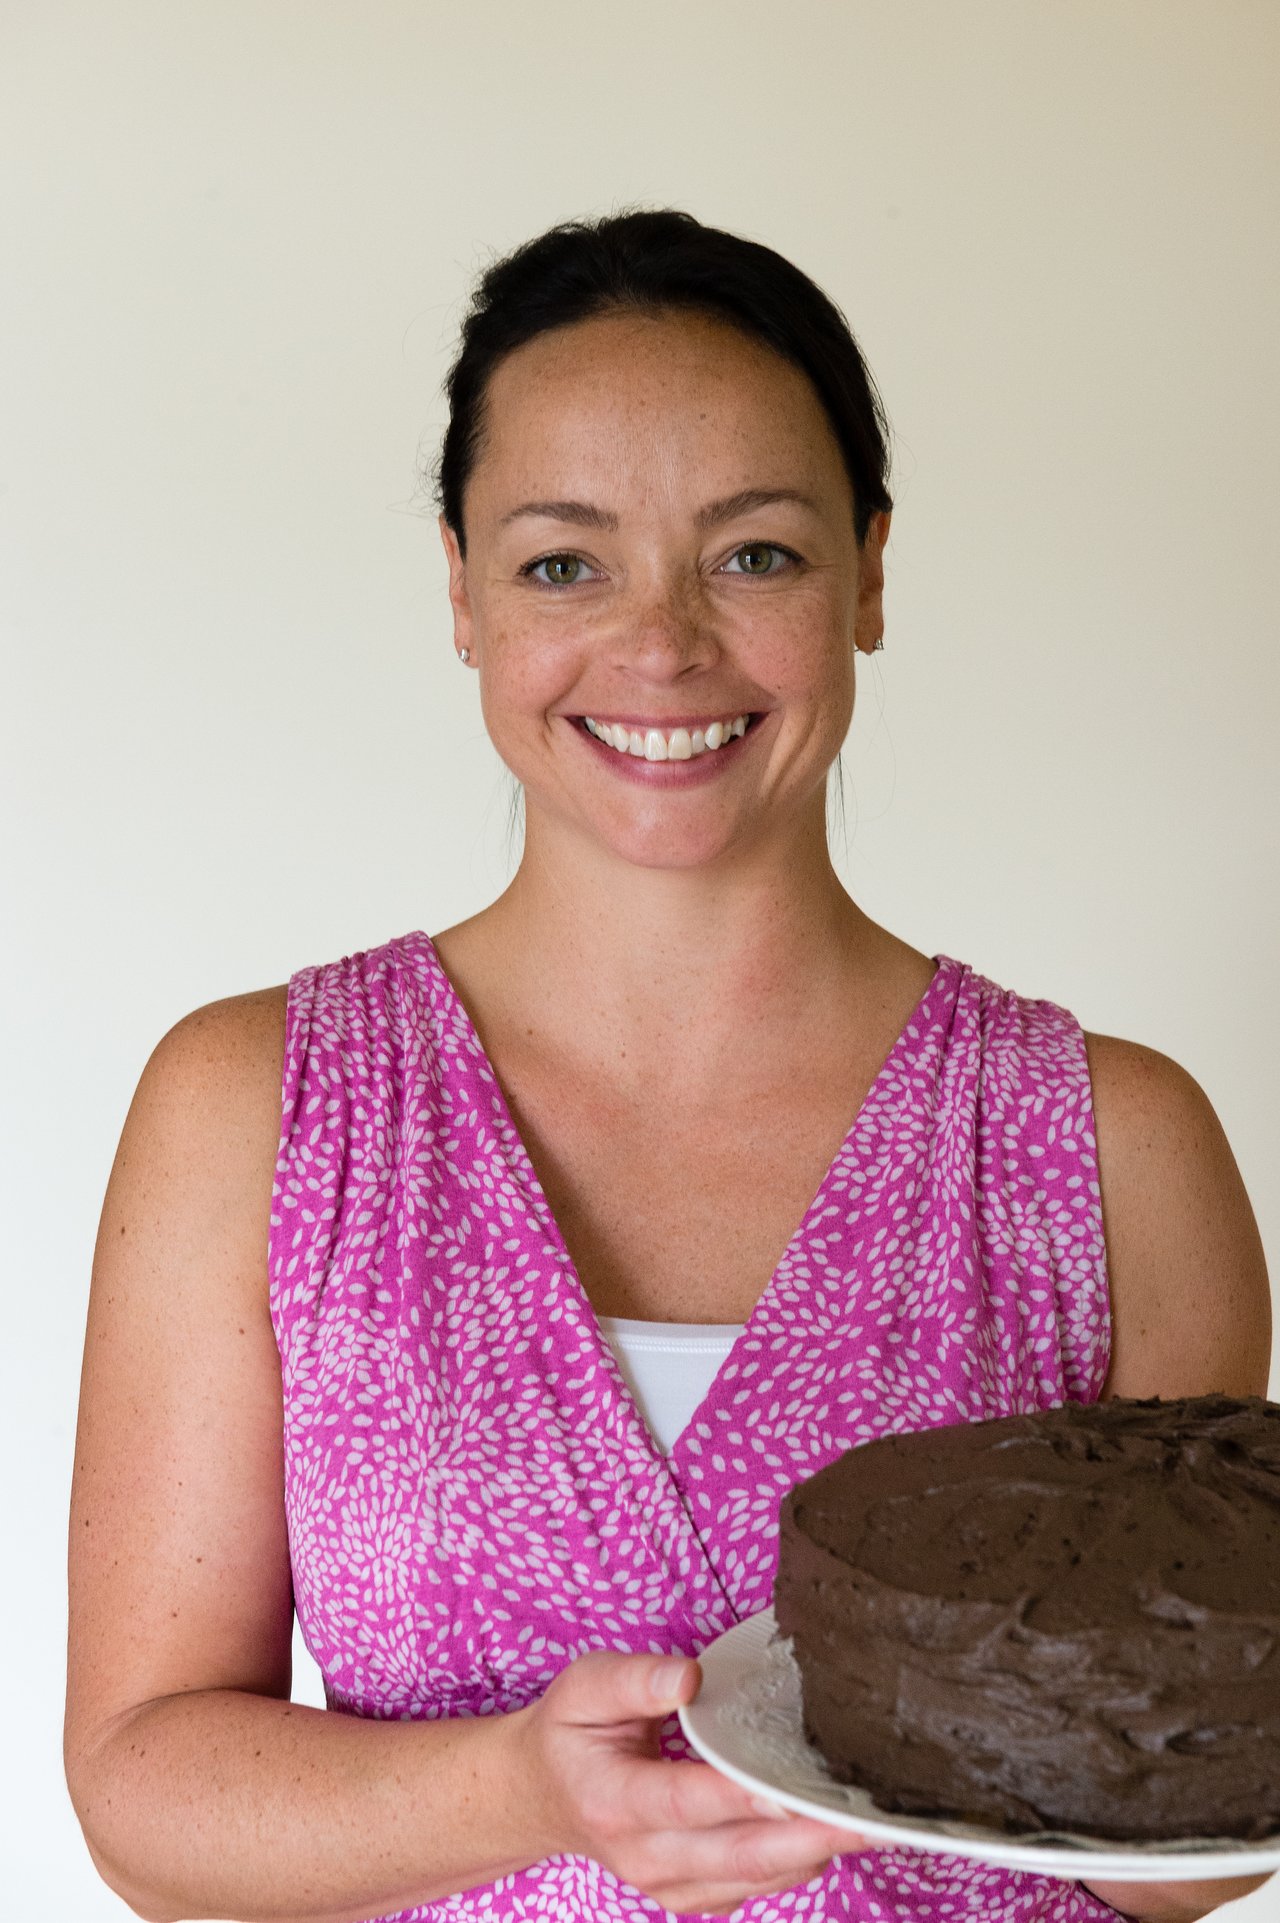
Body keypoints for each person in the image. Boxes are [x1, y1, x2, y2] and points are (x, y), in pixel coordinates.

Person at [65, 209, 1272, 1923]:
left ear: (868, 571)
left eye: (755, 554)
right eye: (564, 561)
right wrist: (509, 1787)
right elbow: (141, 1796)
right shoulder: (257, 1107)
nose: (663, 646)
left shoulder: (1116, 1144)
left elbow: (1177, 1815)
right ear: (463, 593)